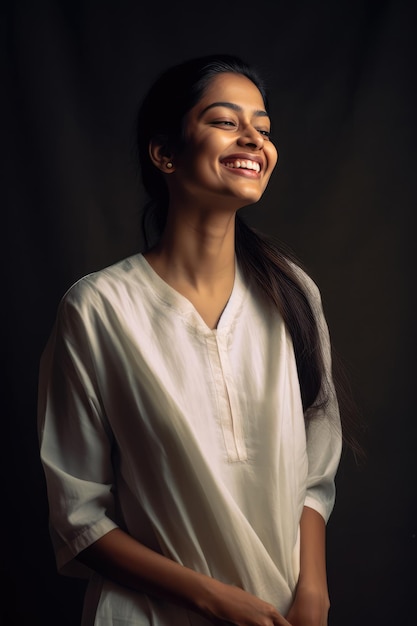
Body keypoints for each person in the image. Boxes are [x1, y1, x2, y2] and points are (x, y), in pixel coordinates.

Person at [38, 54, 343, 626]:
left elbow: (315, 475)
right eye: (226, 121)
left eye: (264, 127)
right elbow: (80, 517)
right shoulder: (98, 309)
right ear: (165, 154)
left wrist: (313, 594)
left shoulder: (293, 295)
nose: (253, 137)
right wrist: (214, 600)